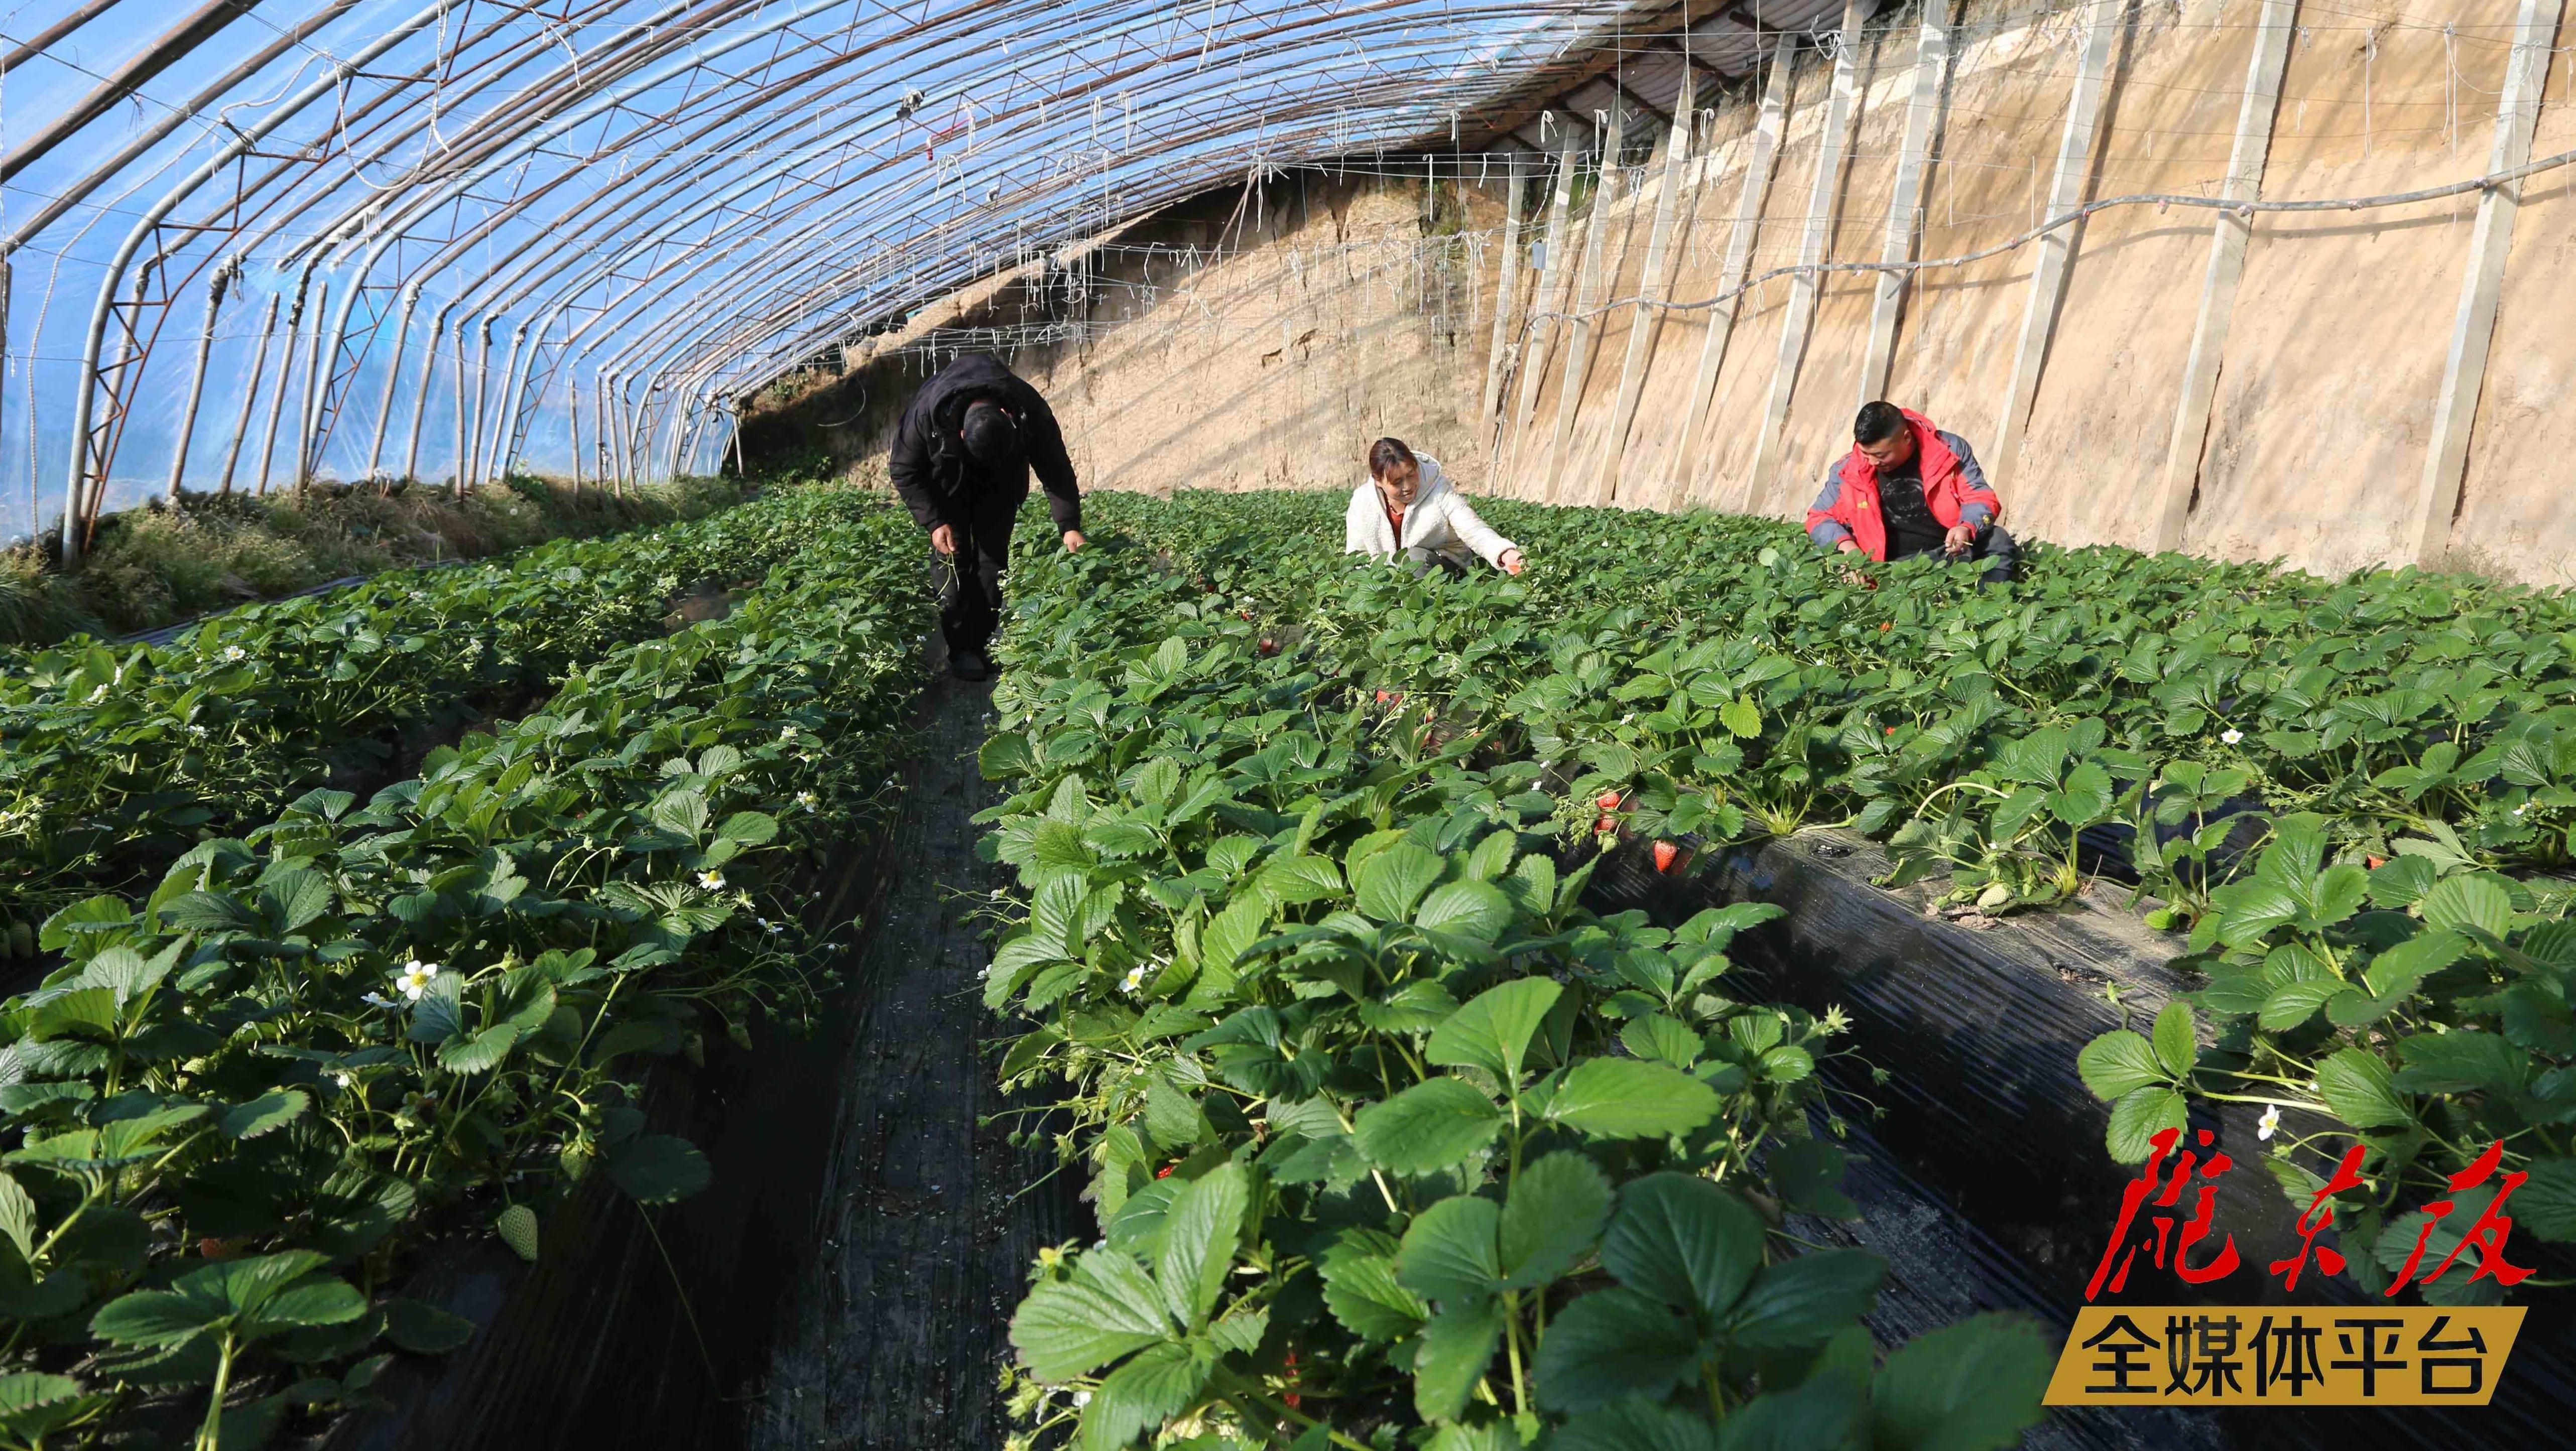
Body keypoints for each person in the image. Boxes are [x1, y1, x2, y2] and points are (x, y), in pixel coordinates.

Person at [887, 353, 1083, 681]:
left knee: (992, 565)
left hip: (1000, 489)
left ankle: (978, 645)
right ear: (962, 434)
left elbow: (1055, 466)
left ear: (1008, 416)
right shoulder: (928, 413)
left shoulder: (1027, 408)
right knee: (952, 563)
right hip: (947, 490)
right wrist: (935, 522)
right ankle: (959, 647)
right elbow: (904, 468)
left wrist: (1069, 525)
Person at [1806, 401, 2016, 587]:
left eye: (1880, 455)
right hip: (1889, 569)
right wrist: (1848, 548)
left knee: (1997, 539)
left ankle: (1990, 601)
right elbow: (1819, 518)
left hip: (1951, 553)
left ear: (1906, 438)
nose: (1871, 462)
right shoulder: (1848, 469)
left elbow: (1980, 497)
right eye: (1865, 453)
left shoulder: (1949, 450)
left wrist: (1966, 527)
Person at [1342, 438, 1525, 579]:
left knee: (1412, 559)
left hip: (1443, 564)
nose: (1408, 486)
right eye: (1397, 482)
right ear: (1378, 481)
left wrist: (1504, 552)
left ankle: (1424, 612)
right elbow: (1357, 554)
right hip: (1391, 574)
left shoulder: (1438, 489)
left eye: (1411, 474)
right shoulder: (1362, 501)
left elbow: (1472, 528)